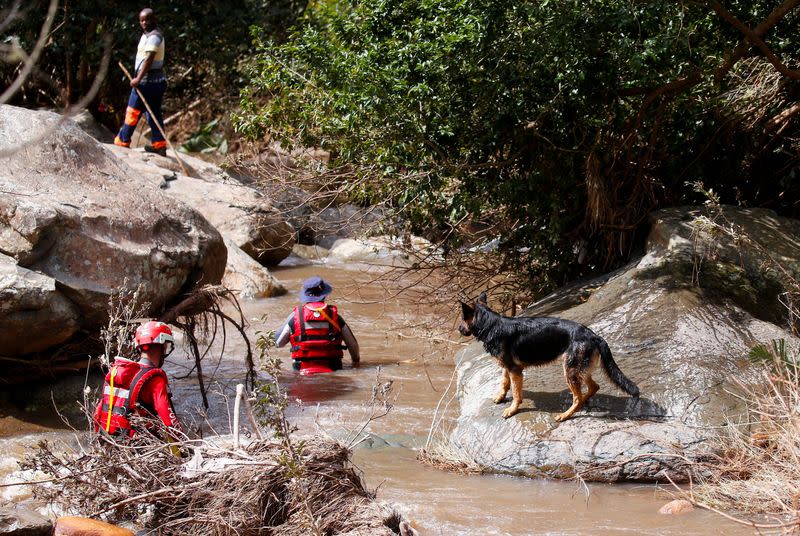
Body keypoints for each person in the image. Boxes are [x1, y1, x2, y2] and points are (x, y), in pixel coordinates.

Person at [94, 320, 181, 438]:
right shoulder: (155, 380)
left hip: (106, 440)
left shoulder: (118, 372)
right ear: (163, 346)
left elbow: (98, 413)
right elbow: (169, 422)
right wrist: (185, 447)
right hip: (135, 445)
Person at [113, 7, 168, 157]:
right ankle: (159, 144)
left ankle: (123, 141)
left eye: (147, 19)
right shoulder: (147, 35)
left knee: (132, 111)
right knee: (153, 113)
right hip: (153, 82)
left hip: (147, 82)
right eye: (141, 20)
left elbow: (149, 59)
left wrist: (137, 78)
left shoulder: (155, 36)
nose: (144, 22)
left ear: (153, 19)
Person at [275, 276, 360, 373]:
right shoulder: (335, 316)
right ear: (324, 295)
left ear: (305, 296)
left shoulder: (295, 317)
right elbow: (352, 345)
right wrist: (355, 362)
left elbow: (279, 344)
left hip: (302, 368)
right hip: (333, 367)